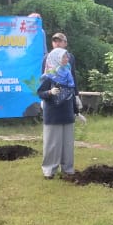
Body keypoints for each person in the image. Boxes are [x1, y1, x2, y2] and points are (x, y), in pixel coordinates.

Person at [37, 47, 77, 178]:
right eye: (64, 57)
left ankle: (68, 169)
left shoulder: (68, 73)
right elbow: (40, 93)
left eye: (67, 56)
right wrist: (50, 92)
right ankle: (49, 170)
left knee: (68, 144)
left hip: (67, 113)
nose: (67, 59)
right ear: (56, 59)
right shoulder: (48, 75)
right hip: (53, 114)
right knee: (52, 144)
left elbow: (71, 93)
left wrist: (76, 111)